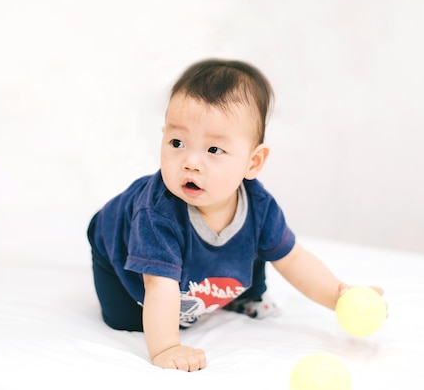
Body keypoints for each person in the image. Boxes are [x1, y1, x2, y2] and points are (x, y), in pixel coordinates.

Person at [87, 58, 384, 372]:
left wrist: (338, 295)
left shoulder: (259, 205)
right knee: (126, 319)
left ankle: (245, 295)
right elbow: (159, 286)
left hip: (220, 248)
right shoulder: (157, 213)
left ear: (253, 162)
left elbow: (294, 259)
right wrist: (167, 347)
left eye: (214, 150)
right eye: (177, 142)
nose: (190, 162)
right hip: (119, 259)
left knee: (254, 242)